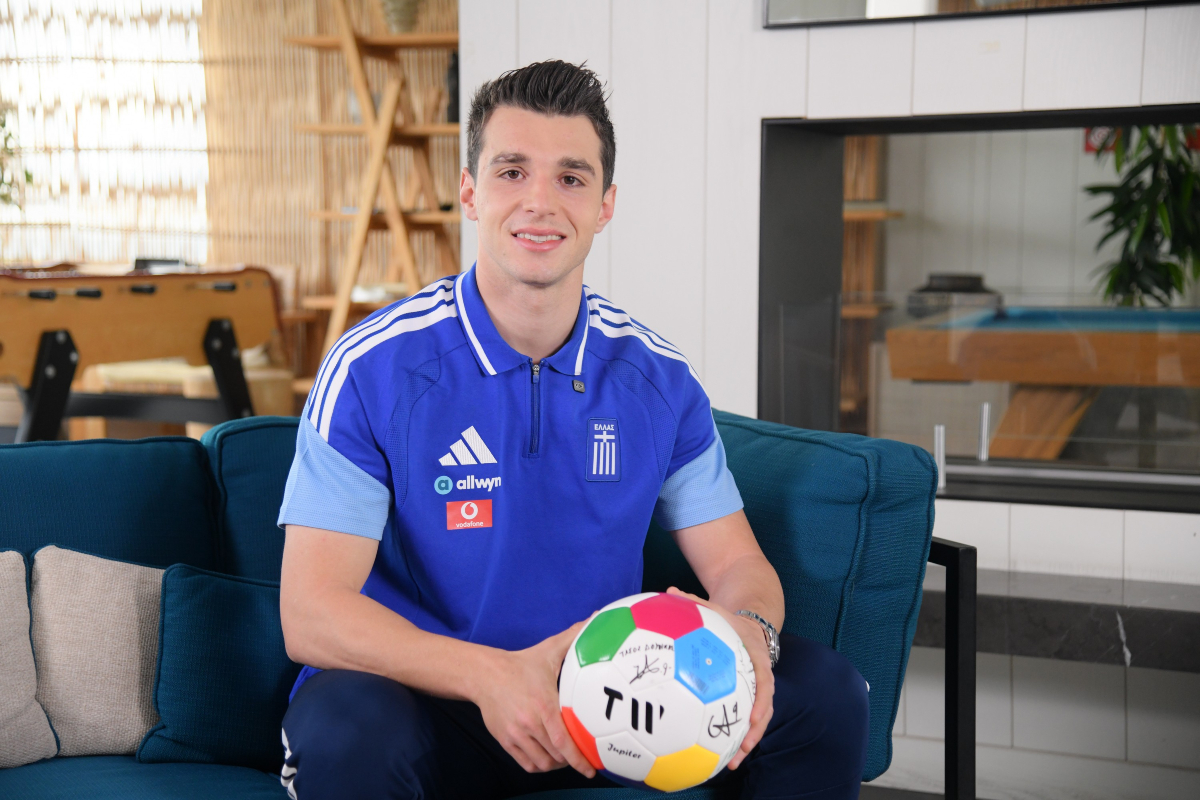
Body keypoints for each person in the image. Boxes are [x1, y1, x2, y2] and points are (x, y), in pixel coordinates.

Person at [277, 60, 868, 800]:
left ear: (605, 204)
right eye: (512, 172)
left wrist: (752, 632)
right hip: (429, 698)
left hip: (607, 698)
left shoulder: (658, 380)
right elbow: (311, 612)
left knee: (828, 692)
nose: (540, 202)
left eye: (571, 177)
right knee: (347, 731)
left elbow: (738, 565)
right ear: (470, 192)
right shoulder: (373, 367)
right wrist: (492, 676)